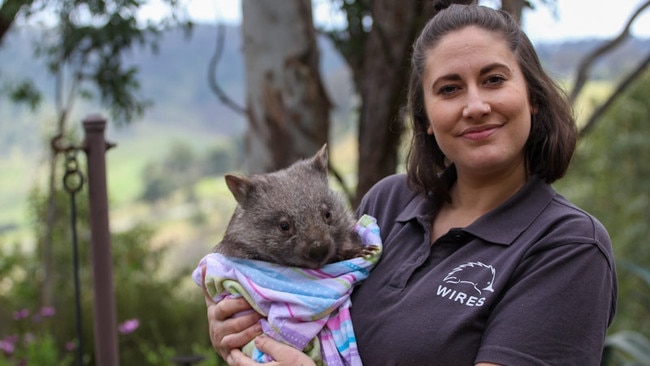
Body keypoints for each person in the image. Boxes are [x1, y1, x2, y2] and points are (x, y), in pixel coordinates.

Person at [203, 3, 617, 365]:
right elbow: (305, 300)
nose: (475, 106)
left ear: (533, 97)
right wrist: (241, 325)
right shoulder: (388, 203)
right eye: (450, 89)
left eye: (494, 79)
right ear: (427, 120)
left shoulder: (568, 247)